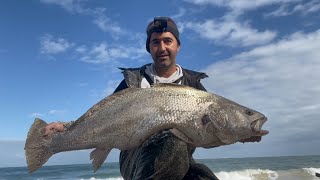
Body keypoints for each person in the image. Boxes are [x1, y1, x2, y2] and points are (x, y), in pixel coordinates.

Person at [45, 16, 261, 179]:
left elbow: (205, 138)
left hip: (179, 162)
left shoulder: (195, 88)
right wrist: (67, 127)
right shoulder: (133, 81)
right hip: (134, 161)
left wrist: (238, 131)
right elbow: (103, 116)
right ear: (149, 48)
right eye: (155, 42)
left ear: (178, 45)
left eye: (168, 40)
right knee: (173, 144)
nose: (162, 47)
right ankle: (48, 148)